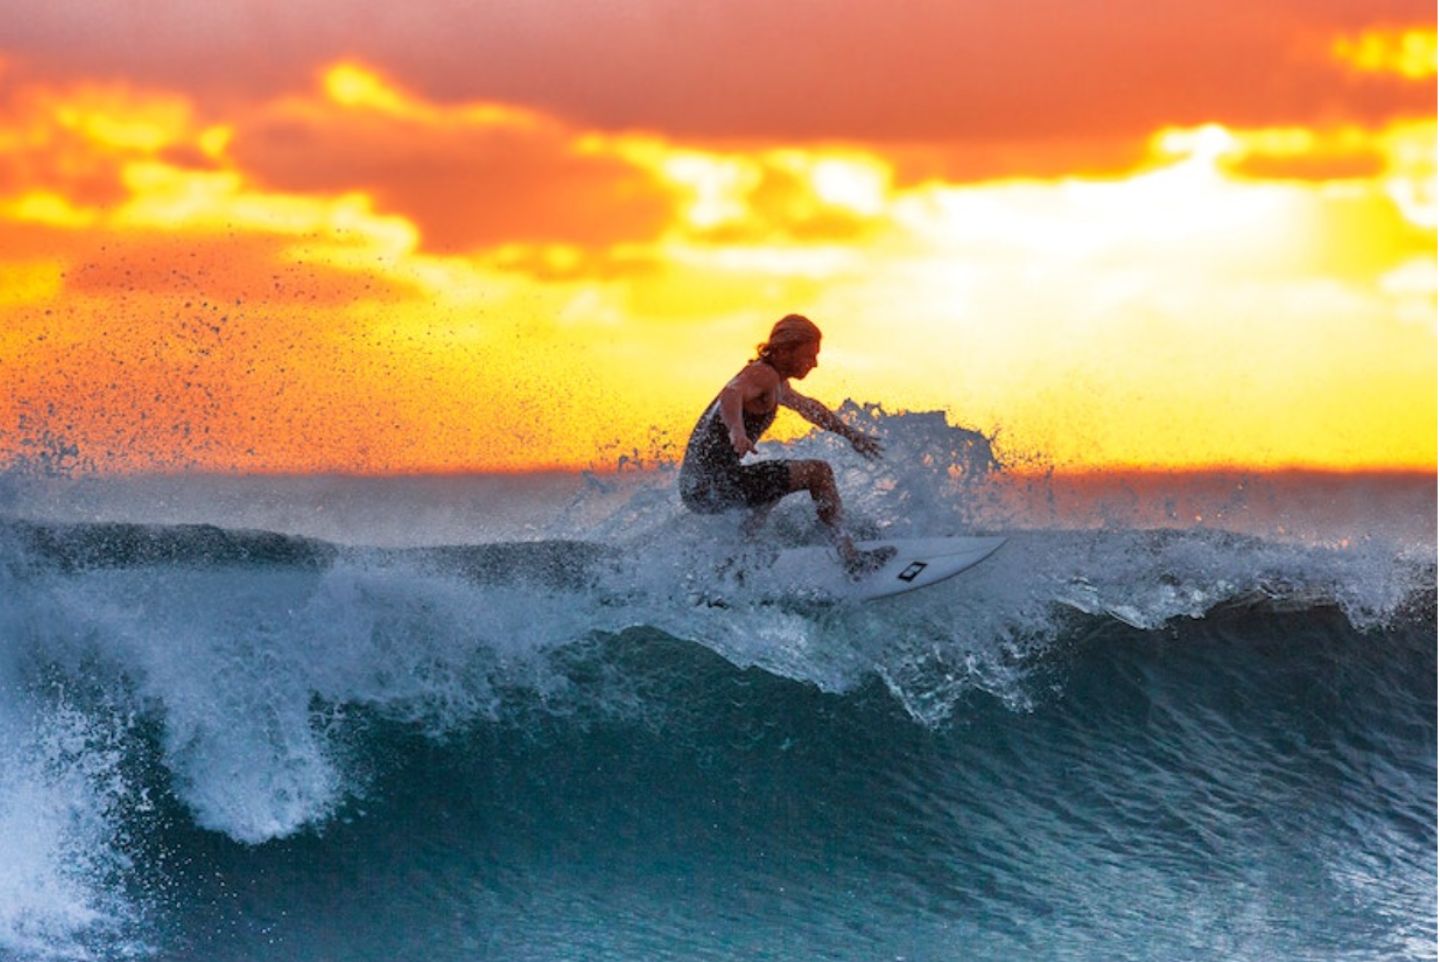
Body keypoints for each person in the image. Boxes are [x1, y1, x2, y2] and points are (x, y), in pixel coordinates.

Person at [678, 314, 893, 576]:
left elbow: (809, 408)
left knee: (776, 484)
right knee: (818, 472)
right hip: (712, 484)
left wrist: (850, 434)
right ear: (783, 350)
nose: (814, 364)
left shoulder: (775, 382)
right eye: (808, 355)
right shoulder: (762, 374)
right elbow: (731, 392)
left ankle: (733, 565)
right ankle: (850, 557)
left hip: (698, 488)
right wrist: (736, 430)